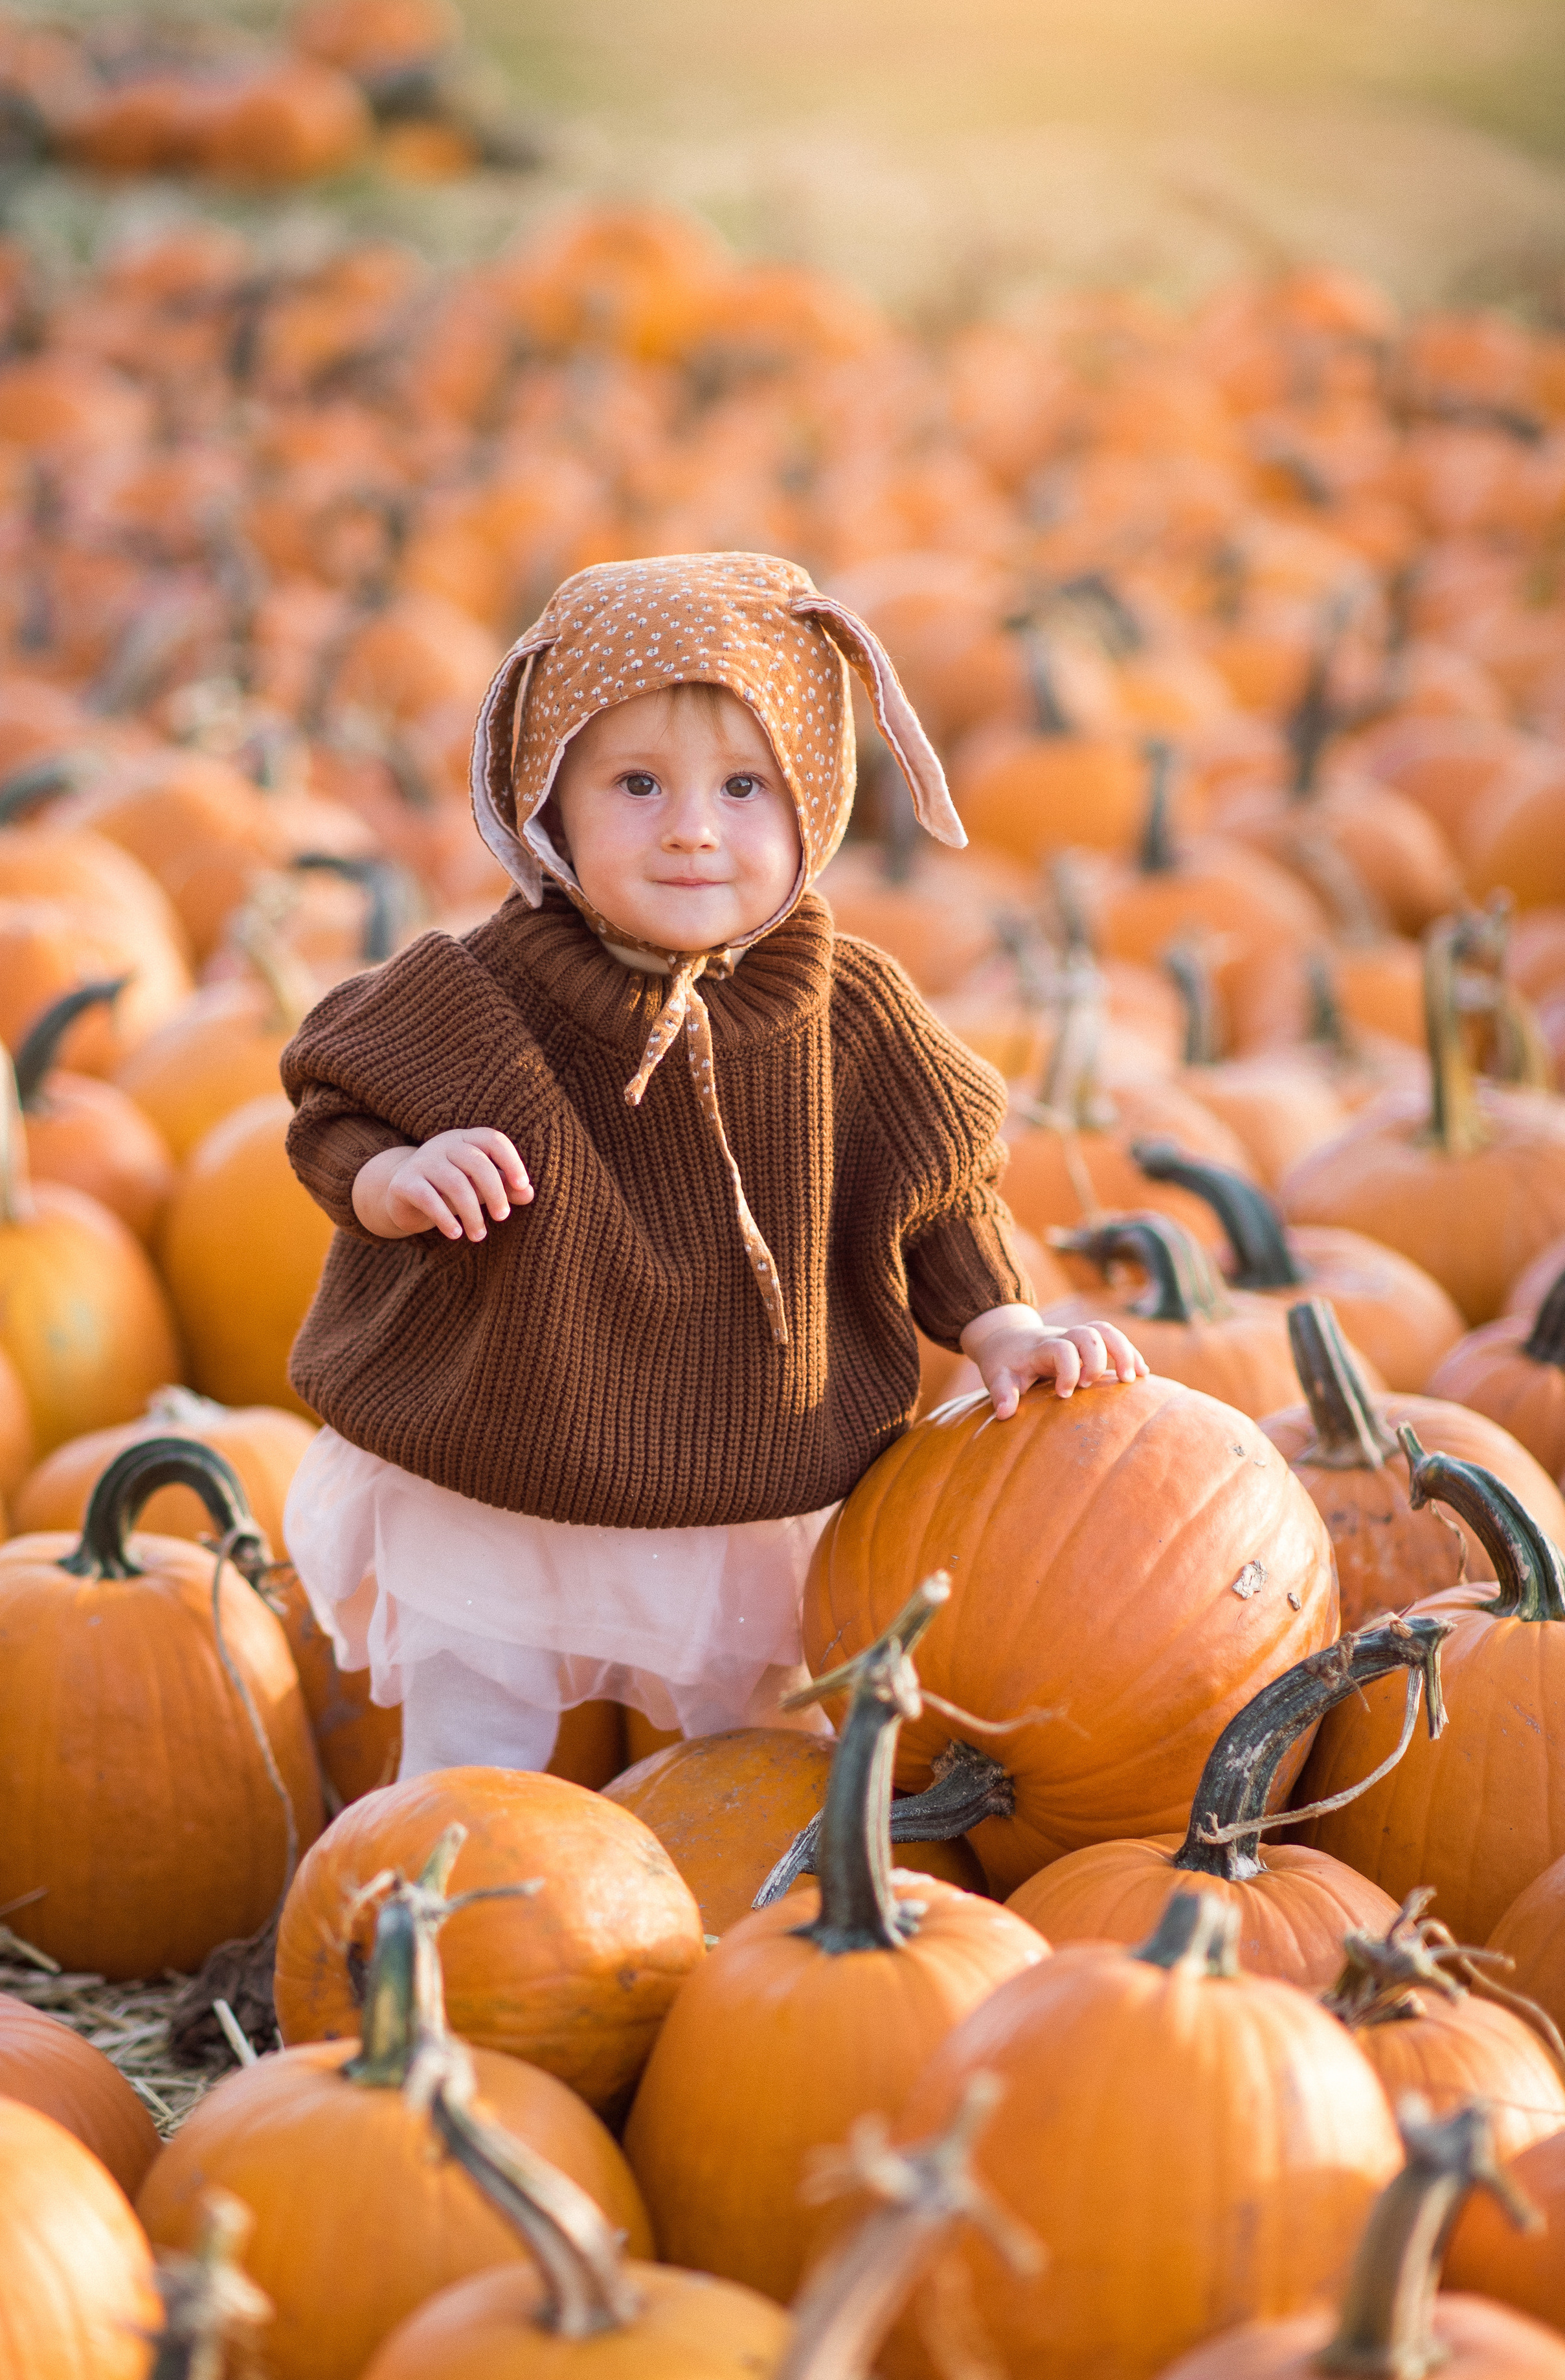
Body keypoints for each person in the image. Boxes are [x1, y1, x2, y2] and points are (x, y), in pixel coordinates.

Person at [280, 552, 1144, 1778]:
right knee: (475, 1733)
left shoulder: (850, 1012)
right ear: (547, 802)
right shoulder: (483, 991)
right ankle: (456, 1865)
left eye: (745, 786)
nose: (692, 828)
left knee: (761, 1752)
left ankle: (745, 1879)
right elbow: (333, 1101)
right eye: (637, 784)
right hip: (510, 1442)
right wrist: (394, 1178)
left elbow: (940, 1192)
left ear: (817, 801)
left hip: (752, 1459)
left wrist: (1003, 1324)